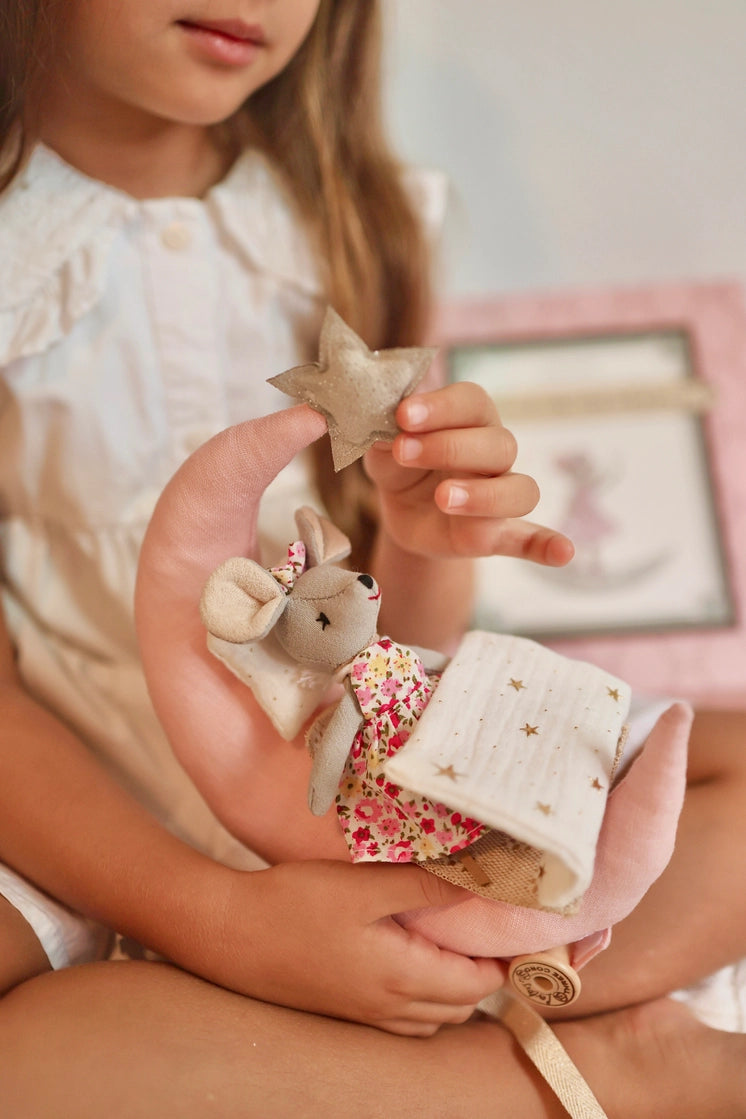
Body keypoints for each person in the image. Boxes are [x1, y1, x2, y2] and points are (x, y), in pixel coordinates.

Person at [0, 2, 744, 1116]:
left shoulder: (349, 222)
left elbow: (390, 650)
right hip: (78, 819)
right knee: (31, 1060)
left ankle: (459, 1007)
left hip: (360, 799)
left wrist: (421, 538)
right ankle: (541, 1066)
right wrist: (211, 916)